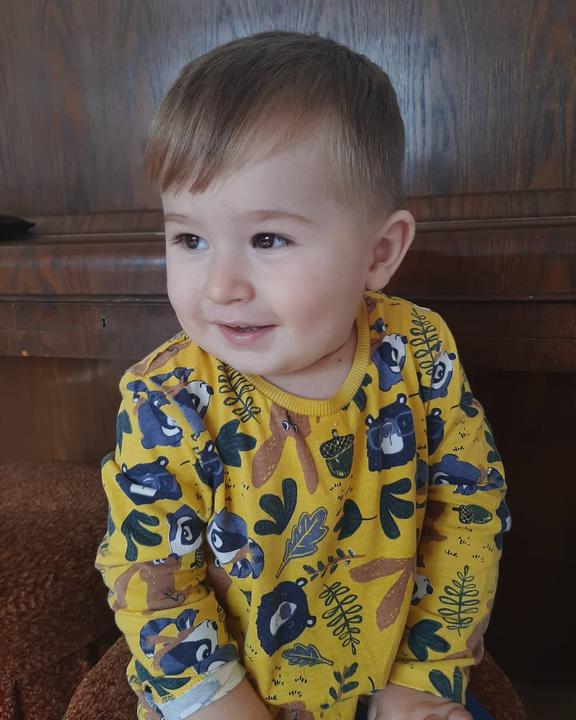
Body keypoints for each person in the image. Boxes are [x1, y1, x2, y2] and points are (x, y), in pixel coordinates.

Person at [95, 30, 511, 720]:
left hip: (390, 680)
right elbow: (151, 581)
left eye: (268, 239)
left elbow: (469, 510)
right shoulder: (166, 399)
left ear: (379, 253)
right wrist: (219, 705)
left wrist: (425, 678)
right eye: (189, 238)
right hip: (224, 697)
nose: (221, 286)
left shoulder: (417, 349)